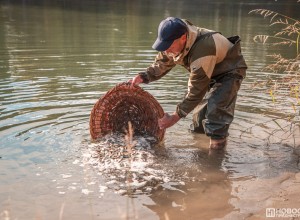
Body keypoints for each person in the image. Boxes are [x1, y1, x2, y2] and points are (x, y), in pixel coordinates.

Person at [131, 17, 247, 150]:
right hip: (206, 72)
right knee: (198, 122)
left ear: (183, 38)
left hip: (229, 72)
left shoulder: (203, 49)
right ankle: (200, 149)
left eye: (169, 46)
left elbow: (196, 91)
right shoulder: (172, 42)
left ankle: (215, 157)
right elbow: (162, 62)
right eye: (164, 46)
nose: (166, 51)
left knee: (215, 114)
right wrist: (144, 77)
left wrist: (175, 117)